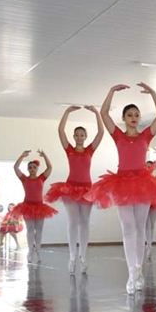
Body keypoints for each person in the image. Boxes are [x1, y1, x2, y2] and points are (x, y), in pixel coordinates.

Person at [85, 83, 156, 294]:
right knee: (128, 227)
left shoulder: (146, 136)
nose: (133, 117)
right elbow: (104, 113)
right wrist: (111, 91)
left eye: (136, 114)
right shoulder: (118, 136)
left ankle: (138, 269)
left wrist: (153, 93)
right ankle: (131, 271)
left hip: (143, 183)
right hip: (122, 183)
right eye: (129, 114)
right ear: (124, 118)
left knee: (140, 227)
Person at [45, 104, 105, 274]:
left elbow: (101, 133)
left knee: (85, 222)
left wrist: (96, 113)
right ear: (74, 136)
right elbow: (60, 131)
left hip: (87, 189)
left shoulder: (90, 150)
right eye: (77, 135)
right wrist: (66, 113)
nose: (79, 137)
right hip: (70, 188)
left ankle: (83, 257)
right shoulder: (69, 149)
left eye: (82, 135)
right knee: (73, 222)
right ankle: (72, 256)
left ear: (85, 137)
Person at [12, 150, 59, 264]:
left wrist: (45, 156)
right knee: (30, 230)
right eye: (30, 167)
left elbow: (50, 167)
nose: (32, 169)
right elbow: (16, 167)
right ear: (28, 169)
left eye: (34, 167)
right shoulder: (24, 179)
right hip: (27, 206)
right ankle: (30, 251)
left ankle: (37, 250)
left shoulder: (42, 178)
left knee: (39, 230)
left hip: (39, 207)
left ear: (37, 169)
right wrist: (22, 156)